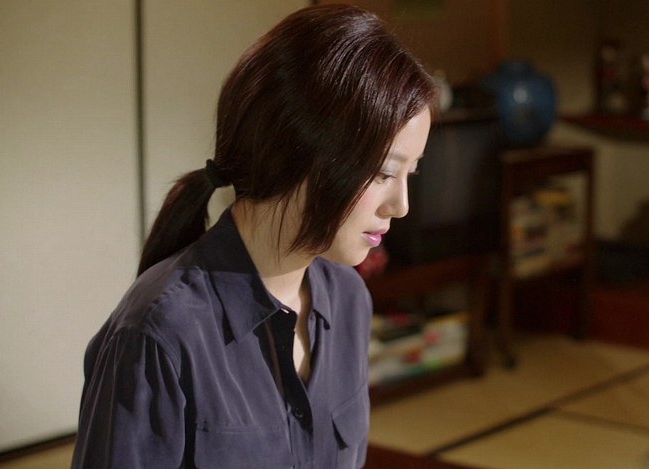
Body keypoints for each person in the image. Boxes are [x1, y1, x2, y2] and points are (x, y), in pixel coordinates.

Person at [71, 5, 436, 468]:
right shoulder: (158, 334)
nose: (400, 206)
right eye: (384, 172)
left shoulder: (349, 299)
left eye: (410, 173)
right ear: (297, 153)